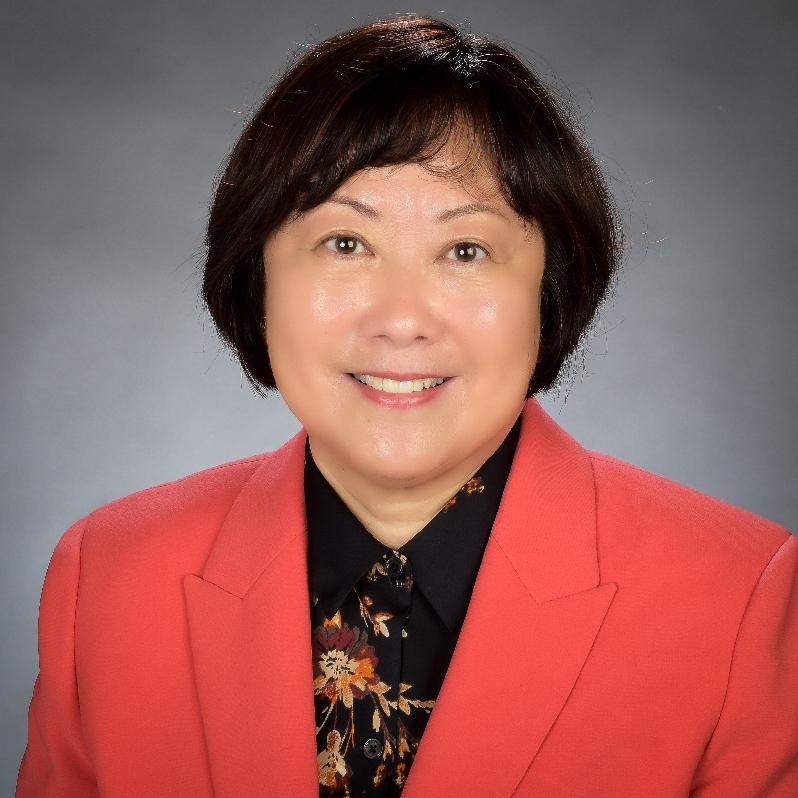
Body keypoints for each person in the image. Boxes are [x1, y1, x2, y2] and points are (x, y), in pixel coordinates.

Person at [16, 12, 797, 798]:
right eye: (345, 244)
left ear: (550, 288)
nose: (400, 319)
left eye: (465, 251)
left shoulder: (736, 599)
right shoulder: (111, 580)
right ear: (257, 276)